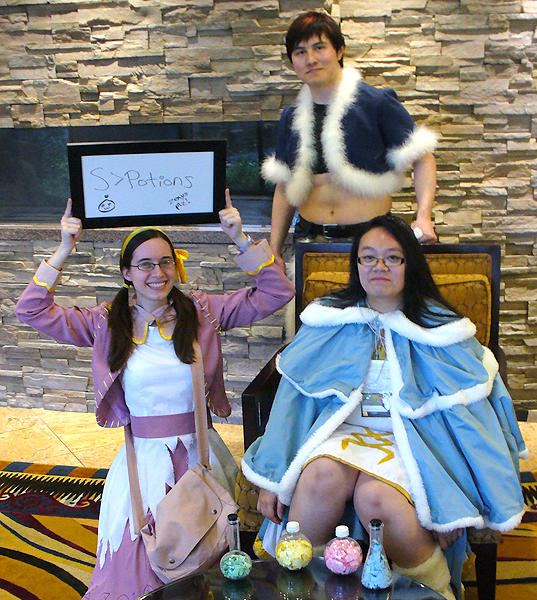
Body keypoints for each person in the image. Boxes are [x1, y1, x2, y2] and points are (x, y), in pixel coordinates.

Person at [15, 192, 295, 600]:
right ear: (127, 273)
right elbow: (31, 310)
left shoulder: (201, 312)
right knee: (139, 567)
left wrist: (239, 237)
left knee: (209, 562)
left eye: (165, 261)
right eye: (145, 264)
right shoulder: (106, 322)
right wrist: (63, 250)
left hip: (202, 457)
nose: (157, 272)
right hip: (142, 464)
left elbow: (278, 292)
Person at [242, 213, 527, 600]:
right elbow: (291, 406)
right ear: (356, 264)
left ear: (410, 264)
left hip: (412, 443)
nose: (379, 266)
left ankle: (430, 591)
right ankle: (301, 586)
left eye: (393, 257)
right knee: (318, 478)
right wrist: (273, 478)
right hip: (341, 435)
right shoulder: (330, 320)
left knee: (375, 497)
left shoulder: (442, 330)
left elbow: (471, 422)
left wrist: (456, 499)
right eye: (368, 257)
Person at [263, 10, 438, 268]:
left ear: (339, 50)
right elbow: (284, 187)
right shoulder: (291, 117)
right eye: (300, 52)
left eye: (319, 47)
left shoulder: (376, 102)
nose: (310, 59)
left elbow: (423, 157)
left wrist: (423, 216)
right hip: (311, 242)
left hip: (372, 244)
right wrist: (275, 249)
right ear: (293, 61)